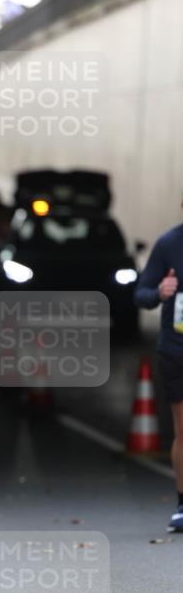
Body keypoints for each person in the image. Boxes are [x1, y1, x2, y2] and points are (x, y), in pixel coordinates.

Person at [134, 211, 183, 532]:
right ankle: (182, 504)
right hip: (178, 351)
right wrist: (160, 293)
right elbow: (141, 294)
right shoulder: (169, 243)